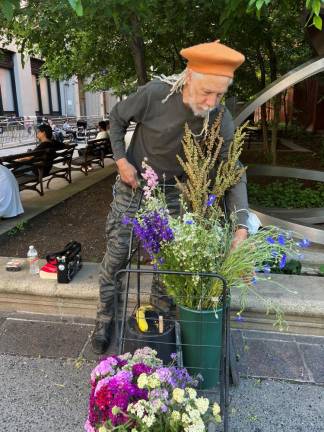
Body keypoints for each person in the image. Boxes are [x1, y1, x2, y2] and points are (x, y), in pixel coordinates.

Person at [91, 40, 250, 354]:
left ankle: (157, 325)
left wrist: (242, 228)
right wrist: (121, 160)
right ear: (189, 77)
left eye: (219, 95)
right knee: (116, 257)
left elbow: (235, 171)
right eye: (207, 92)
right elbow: (117, 118)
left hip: (175, 196)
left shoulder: (219, 117)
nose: (212, 101)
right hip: (133, 187)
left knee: (168, 268)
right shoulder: (155, 94)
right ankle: (104, 319)